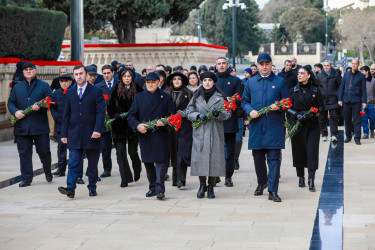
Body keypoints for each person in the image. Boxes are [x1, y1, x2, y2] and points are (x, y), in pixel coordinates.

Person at [242, 53, 289, 202]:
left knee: (274, 158)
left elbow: (287, 101)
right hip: (257, 125)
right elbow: (244, 101)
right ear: (257, 65)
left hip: (274, 125)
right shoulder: (251, 82)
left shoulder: (279, 81)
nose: (264, 67)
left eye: (266, 64)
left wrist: (280, 105)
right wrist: (250, 110)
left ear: (271, 64)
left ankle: (272, 190)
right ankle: (261, 182)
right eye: (261, 64)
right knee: (258, 158)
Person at [58, 65, 106, 198]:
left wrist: (97, 130)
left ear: (86, 75)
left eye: (81, 73)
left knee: (92, 165)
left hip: (92, 134)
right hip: (74, 134)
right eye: (76, 74)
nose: (79, 76)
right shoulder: (70, 92)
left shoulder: (96, 91)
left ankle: (92, 187)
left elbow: (100, 113)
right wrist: (64, 134)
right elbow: (66, 114)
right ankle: (70, 188)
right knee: (73, 162)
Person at [127, 72, 175, 200]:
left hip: (161, 135)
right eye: (148, 82)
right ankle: (152, 187)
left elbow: (172, 115)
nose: (150, 85)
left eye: (152, 82)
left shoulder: (166, 97)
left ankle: (160, 189)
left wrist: (164, 122)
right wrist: (137, 126)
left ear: (159, 83)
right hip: (145, 135)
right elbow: (131, 116)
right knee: (148, 162)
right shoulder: (139, 97)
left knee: (160, 163)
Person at [8, 62, 53, 187]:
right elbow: (11, 102)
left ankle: (48, 172)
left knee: (44, 151)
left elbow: (50, 102)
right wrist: (15, 111)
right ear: (23, 72)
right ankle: (26, 178)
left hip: (39, 126)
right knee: (24, 153)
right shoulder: (17, 87)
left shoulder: (44, 86)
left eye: (30, 69)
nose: (28, 71)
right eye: (26, 70)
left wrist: (41, 107)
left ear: (35, 70)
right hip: (22, 127)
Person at [186, 72, 231, 199]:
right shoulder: (196, 96)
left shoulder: (220, 96)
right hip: (200, 132)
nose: (207, 82)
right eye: (205, 80)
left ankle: (211, 187)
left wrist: (218, 114)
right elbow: (189, 112)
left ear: (213, 82)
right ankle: (202, 186)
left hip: (215, 131)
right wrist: (198, 116)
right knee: (200, 159)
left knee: (214, 160)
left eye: (209, 80)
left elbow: (227, 113)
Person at [286, 66, 324, 192]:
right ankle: (301, 176)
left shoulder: (315, 90)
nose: (299, 75)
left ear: (308, 76)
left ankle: (311, 179)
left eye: (302, 73)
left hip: (312, 126)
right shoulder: (293, 90)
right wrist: (296, 114)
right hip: (297, 125)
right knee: (299, 152)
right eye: (298, 73)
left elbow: (321, 108)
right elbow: (287, 107)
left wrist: (312, 113)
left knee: (312, 152)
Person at [107, 68, 142, 187]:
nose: (127, 78)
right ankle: (125, 178)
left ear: (132, 77)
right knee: (120, 152)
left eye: (129, 76)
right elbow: (110, 105)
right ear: (121, 77)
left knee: (132, 152)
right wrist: (114, 114)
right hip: (119, 125)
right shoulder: (116, 88)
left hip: (132, 125)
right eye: (124, 76)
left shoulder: (138, 89)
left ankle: (137, 169)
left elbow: (143, 105)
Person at [215, 57, 243, 187]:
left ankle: (228, 176)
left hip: (230, 120)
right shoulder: (211, 80)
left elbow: (240, 100)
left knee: (230, 151)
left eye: (223, 63)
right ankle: (214, 176)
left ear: (227, 65)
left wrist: (230, 101)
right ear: (216, 66)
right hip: (214, 121)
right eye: (219, 64)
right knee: (215, 151)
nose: (221, 66)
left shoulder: (235, 81)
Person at [165, 71, 194, 188]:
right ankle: (175, 179)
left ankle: (181, 179)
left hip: (185, 128)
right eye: (174, 79)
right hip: (170, 128)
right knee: (173, 153)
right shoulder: (166, 93)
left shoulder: (189, 93)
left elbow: (193, 109)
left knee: (182, 153)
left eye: (179, 79)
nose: (176, 81)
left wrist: (185, 114)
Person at [95, 65, 119, 178]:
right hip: (105, 121)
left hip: (118, 119)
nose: (106, 75)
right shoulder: (98, 86)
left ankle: (123, 168)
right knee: (105, 147)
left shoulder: (119, 84)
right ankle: (107, 169)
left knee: (120, 147)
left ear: (113, 73)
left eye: (108, 73)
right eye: (104, 73)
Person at [338, 59, 367, 145]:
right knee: (347, 120)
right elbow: (342, 88)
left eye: (355, 64)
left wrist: (364, 101)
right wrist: (340, 99)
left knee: (357, 120)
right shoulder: (346, 74)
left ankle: (357, 138)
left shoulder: (362, 76)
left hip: (356, 101)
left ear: (358, 65)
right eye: (352, 63)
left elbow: (364, 90)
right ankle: (348, 137)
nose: (353, 65)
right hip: (346, 100)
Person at [51, 74, 73, 177]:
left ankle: (74, 169)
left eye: (66, 81)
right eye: (62, 81)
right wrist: (57, 117)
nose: (64, 83)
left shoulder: (74, 92)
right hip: (60, 124)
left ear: (70, 82)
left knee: (73, 149)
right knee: (61, 148)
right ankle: (61, 169)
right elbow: (52, 107)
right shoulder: (56, 94)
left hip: (72, 124)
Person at [317, 61, 341, 142]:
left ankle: (333, 135)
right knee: (322, 118)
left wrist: (338, 97)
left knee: (333, 118)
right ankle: (324, 135)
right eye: (324, 65)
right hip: (322, 100)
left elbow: (340, 86)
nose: (326, 67)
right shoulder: (319, 76)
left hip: (333, 100)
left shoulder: (336, 75)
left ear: (330, 66)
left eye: (327, 65)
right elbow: (317, 88)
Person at [360, 66, 375, 139]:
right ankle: (366, 133)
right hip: (362, 104)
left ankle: (372, 129)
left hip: (372, 103)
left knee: (372, 118)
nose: (361, 73)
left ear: (367, 71)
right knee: (364, 118)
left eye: (362, 71)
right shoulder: (360, 80)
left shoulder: (373, 80)